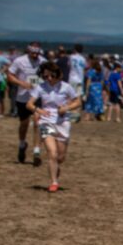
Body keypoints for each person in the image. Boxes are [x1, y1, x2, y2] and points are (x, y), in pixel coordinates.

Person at [25, 62, 81, 193]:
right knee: (52, 153)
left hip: (63, 122)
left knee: (60, 157)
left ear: (57, 74)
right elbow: (29, 104)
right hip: (46, 122)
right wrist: (39, 110)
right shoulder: (40, 87)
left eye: (51, 76)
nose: (48, 79)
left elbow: (78, 102)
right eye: (45, 76)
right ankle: (54, 182)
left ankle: (55, 168)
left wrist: (66, 108)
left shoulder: (66, 87)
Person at [7, 43, 46, 164]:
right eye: (32, 53)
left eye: (37, 53)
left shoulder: (43, 61)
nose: (35, 55)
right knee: (24, 124)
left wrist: (40, 81)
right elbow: (9, 75)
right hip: (22, 97)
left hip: (37, 97)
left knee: (37, 122)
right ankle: (22, 145)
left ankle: (36, 151)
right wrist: (21, 83)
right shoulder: (19, 61)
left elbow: (48, 76)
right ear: (28, 51)